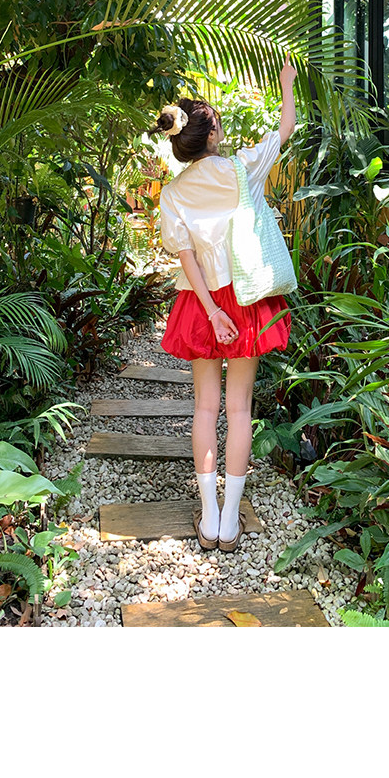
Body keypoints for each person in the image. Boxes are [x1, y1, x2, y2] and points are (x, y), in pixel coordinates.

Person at [148, 55, 297, 552]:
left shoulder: (173, 193)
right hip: (247, 296)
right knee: (239, 407)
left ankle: (208, 516)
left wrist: (211, 311)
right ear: (212, 135)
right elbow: (285, 129)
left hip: (201, 301)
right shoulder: (241, 169)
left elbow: (185, 255)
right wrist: (287, 84)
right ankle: (231, 520)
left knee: (205, 406)